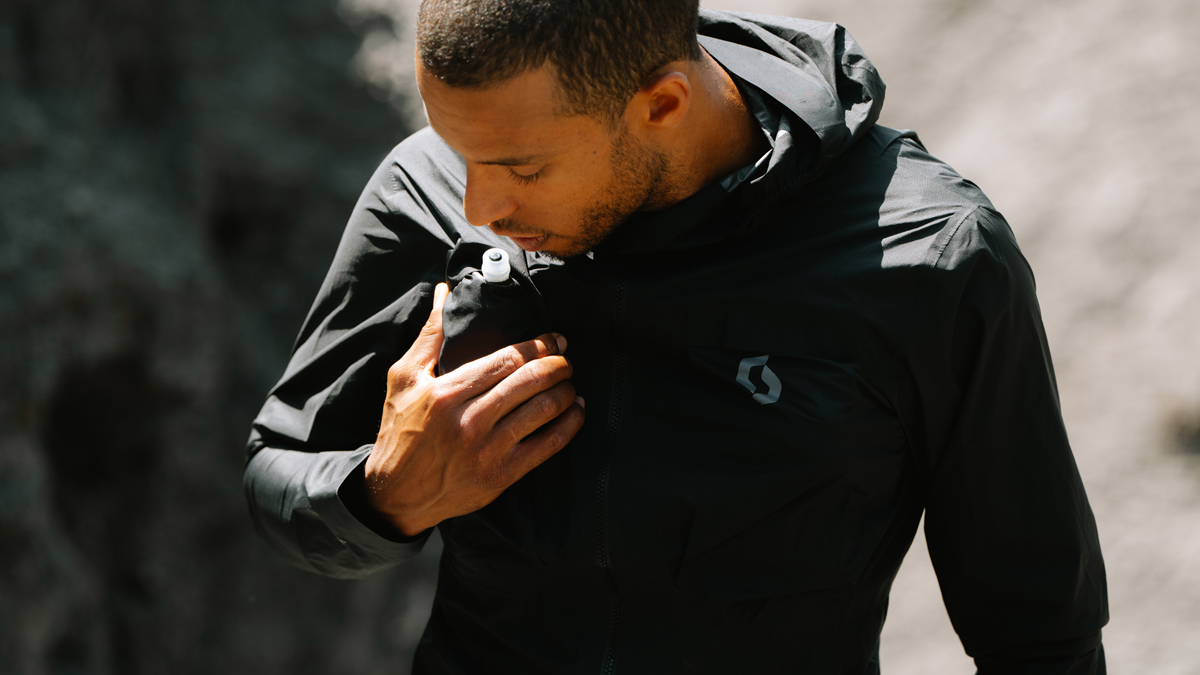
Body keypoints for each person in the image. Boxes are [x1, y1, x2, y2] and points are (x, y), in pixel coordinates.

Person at [243, 1, 1109, 672]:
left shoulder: (932, 258)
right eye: (456, 150)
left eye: (522, 169)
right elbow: (276, 474)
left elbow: (1039, 634)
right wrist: (387, 495)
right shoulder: (427, 191)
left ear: (662, 103)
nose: (478, 206)